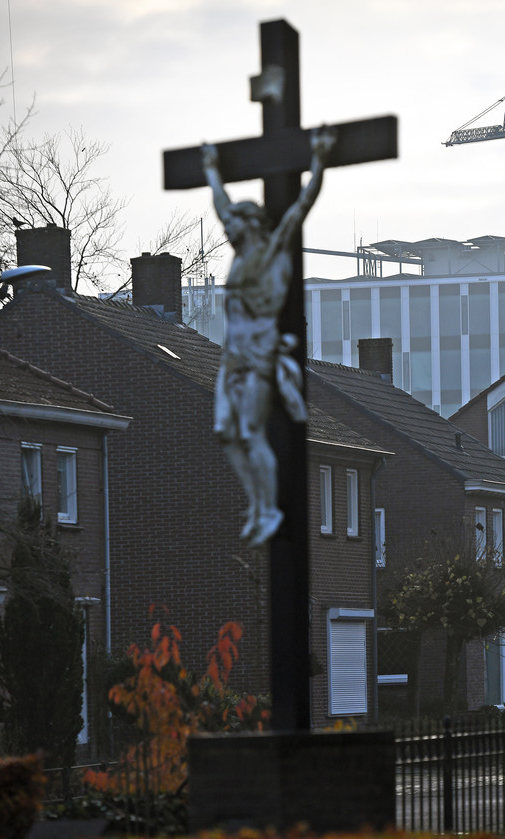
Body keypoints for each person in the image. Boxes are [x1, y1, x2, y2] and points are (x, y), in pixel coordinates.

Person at [202, 127, 336, 546]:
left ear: (251, 224)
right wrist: (211, 170)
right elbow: (221, 203)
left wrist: (319, 160)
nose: (227, 227)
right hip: (232, 356)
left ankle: (269, 509)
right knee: (225, 432)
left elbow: (301, 205)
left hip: (259, 354)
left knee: (250, 432)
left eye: (234, 222)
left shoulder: (272, 250)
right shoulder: (240, 256)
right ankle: (257, 504)